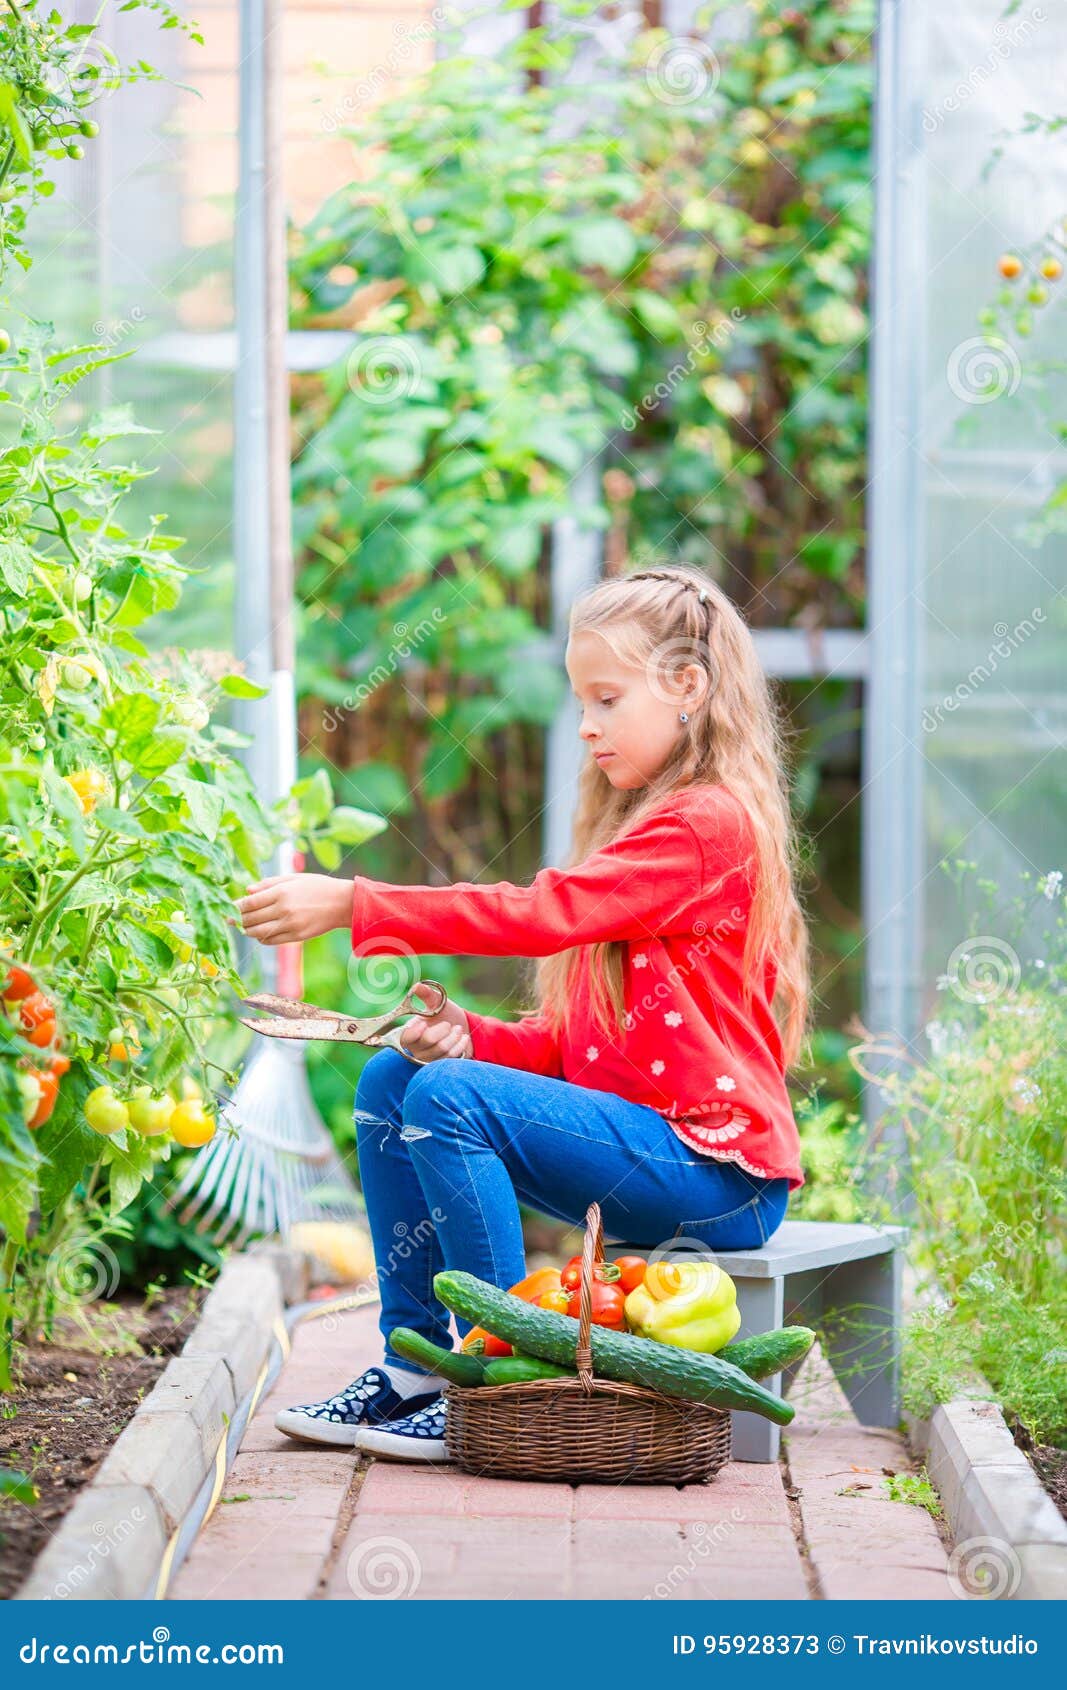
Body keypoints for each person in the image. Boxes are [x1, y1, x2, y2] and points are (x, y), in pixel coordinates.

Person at [237, 564, 810, 1463]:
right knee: (401, 1076)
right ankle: (415, 1371)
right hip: (649, 1148)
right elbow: (593, 1054)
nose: (586, 725)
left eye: (608, 699)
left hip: (717, 1176)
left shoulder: (706, 824)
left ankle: (501, 1383)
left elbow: (540, 916)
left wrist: (357, 902)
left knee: (451, 1100)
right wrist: (474, 1038)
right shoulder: (653, 826)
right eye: (582, 701)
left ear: (688, 688)